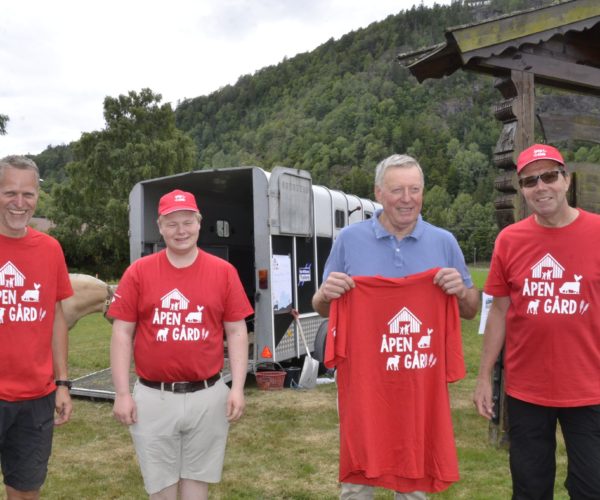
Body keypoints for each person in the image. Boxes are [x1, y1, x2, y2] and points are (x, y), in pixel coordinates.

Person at [312, 154, 479, 500]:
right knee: (358, 481)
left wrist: (461, 290)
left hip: (420, 382)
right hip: (364, 382)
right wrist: (326, 294)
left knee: (415, 481)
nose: (407, 198)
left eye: (414, 189)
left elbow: (470, 309)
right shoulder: (349, 240)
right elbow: (320, 305)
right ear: (378, 192)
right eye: (397, 190)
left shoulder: (443, 241)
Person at [473, 144, 600, 499]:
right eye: (530, 181)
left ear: (566, 180)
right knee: (530, 489)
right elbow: (498, 311)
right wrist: (484, 378)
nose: (540, 187)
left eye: (548, 176)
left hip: (590, 388)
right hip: (528, 389)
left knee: (592, 488)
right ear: (522, 190)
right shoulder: (510, 240)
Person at [109, 189, 252, 500]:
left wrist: (237, 387)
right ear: (159, 227)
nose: (181, 231)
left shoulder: (223, 272)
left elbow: (237, 331)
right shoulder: (139, 272)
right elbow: (122, 333)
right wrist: (122, 393)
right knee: (161, 489)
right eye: (171, 224)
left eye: (187, 222)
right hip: (153, 397)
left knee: (196, 486)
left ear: (199, 223)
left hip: (208, 395)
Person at [0, 155, 73, 500]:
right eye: (10, 192)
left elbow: (56, 319)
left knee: (26, 490)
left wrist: (62, 383)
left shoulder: (50, 249)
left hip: (36, 399)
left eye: (28, 194)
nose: (19, 203)